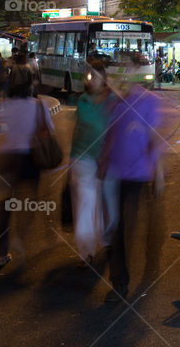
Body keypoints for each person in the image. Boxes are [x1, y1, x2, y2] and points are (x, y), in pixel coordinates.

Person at [97, 82, 170, 302]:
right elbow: (110, 134)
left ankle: (151, 255)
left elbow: (154, 138)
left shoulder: (149, 101)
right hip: (118, 174)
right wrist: (103, 160)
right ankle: (120, 282)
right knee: (120, 228)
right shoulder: (116, 102)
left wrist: (157, 174)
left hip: (141, 174)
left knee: (144, 222)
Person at [0, 60, 50, 267]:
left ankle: (0, 254)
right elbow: (48, 131)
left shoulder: (0, 106)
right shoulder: (38, 107)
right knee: (29, 203)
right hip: (30, 159)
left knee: (2, 208)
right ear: (31, 83)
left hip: (5, 159)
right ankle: (20, 237)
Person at [69, 60, 117, 263]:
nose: (91, 80)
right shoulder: (82, 101)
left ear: (104, 79)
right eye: (88, 76)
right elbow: (77, 131)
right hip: (84, 160)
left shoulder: (113, 101)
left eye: (95, 76)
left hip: (108, 161)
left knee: (108, 204)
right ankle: (86, 251)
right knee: (86, 206)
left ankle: (108, 241)